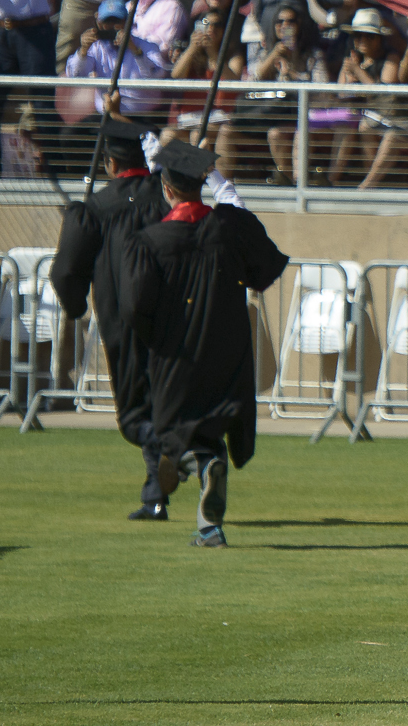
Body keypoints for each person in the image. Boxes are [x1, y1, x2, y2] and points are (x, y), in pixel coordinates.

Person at [124, 139, 290, 548]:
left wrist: (154, 343)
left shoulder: (152, 241)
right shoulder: (228, 229)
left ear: (166, 190)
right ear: (200, 184)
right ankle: (208, 524)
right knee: (212, 426)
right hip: (227, 349)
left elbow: (134, 308)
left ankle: (191, 463)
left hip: (174, 354)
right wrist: (220, 185)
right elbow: (265, 267)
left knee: (171, 430)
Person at [49, 121, 167, 512]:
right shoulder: (167, 197)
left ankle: (179, 456)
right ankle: (156, 496)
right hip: (172, 318)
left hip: (123, 320)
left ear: (110, 163)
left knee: (136, 417)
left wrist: (76, 305)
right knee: (166, 402)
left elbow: (66, 270)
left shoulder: (98, 207)